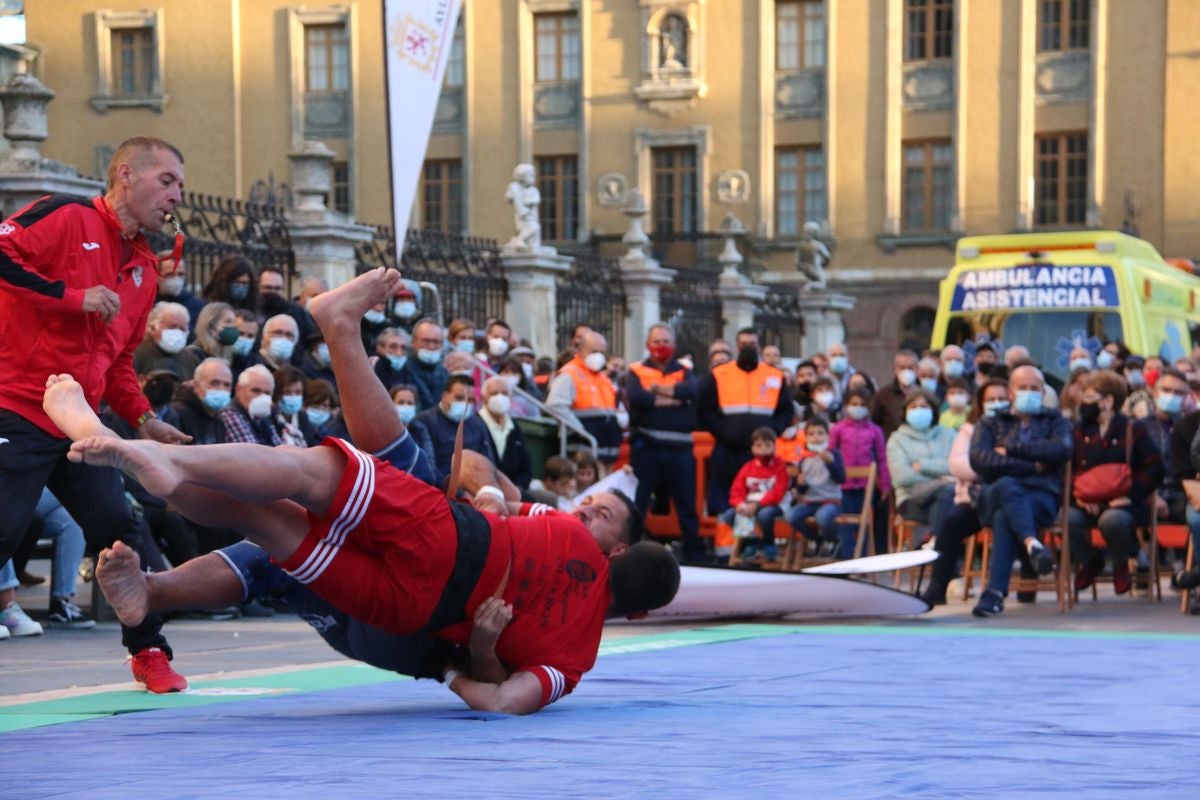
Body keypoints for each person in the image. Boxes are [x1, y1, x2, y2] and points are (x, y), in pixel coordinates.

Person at [51, 269, 679, 714]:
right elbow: (503, 697)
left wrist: (468, 654)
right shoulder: (572, 657)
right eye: (594, 502)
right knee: (275, 524)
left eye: (603, 515)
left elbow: (496, 497)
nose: (589, 507)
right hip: (417, 606)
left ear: (616, 551)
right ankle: (162, 485)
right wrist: (472, 664)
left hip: (434, 576)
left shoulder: (567, 540)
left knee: (302, 482)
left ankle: (165, 473)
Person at [0, 136, 189, 689]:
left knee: (121, 532)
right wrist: (70, 294)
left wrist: (143, 420)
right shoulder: (67, 214)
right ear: (126, 174)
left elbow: (121, 360)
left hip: (82, 421)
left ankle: (149, 651)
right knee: (4, 530)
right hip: (16, 405)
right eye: (167, 181)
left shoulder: (144, 270)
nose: (176, 195)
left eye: (179, 185)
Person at [969, 365, 1072, 618]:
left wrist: (1011, 447)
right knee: (1006, 486)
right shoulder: (990, 421)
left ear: (1043, 391)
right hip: (993, 494)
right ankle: (1032, 544)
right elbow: (980, 460)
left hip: (1040, 497)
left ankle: (994, 593)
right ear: (1011, 392)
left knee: (1005, 514)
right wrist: (1033, 465)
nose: (1028, 392)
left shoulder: (1056, 421)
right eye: (1022, 387)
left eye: (1034, 388)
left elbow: (1061, 450)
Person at [1068, 370, 1163, 595]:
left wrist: (1130, 496)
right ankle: (1091, 560)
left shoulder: (1133, 429)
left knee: (1113, 520)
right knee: (1067, 519)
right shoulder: (1079, 430)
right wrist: (1078, 496)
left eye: (1090, 398)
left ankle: (1120, 563)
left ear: (1108, 401)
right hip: (1086, 501)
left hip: (1126, 502)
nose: (1084, 402)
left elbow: (1155, 467)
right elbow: (1067, 469)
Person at [919, 379, 1010, 605]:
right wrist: (991, 463)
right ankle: (938, 584)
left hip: (1005, 501)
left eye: (1001, 399)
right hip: (974, 501)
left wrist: (981, 462)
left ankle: (1017, 580)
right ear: (980, 403)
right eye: (991, 400)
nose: (996, 403)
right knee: (951, 524)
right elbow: (957, 464)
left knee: (1010, 521)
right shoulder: (970, 430)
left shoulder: (1015, 428)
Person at [626, 323, 704, 562]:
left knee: (687, 505)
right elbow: (638, 397)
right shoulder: (636, 370)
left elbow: (693, 391)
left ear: (675, 345)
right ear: (648, 345)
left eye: (666, 341)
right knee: (638, 504)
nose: (662, 346)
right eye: (657, 342)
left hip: (680, 449)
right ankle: (631, 552)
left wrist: (658, 392)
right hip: (646, 447)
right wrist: (673, 397)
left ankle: (695, 556)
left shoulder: (684, 370)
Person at [697, 328, 793, 515]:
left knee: (760, 501)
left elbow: (786, 410)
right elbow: (705, 409)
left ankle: (754, 543)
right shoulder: (719, 374)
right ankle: (724, 543)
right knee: (724, 501)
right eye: (744, 345)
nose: (748, 348)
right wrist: (723, 431)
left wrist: (774, 429)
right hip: (727, 449)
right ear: (736, 347)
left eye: (752, 345)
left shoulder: (774, 375)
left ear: (759, 347)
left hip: (762, 453)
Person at [886, 390, 957, 548]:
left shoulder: (949, 434)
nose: (919, 411)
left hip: (947, 498)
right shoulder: (897, 439)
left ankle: (935, 543)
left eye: (924, 406)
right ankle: (941, 553)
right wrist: (940, 479)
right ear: (905, 412)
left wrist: (924, 465)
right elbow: (902, 477)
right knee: (946, 497)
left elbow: (956, 467)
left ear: (933, 410)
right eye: (913, 407)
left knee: (946, 497)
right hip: (912, 499)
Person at [829, 387, 891, 559]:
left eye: (862, 404)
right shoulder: (838, 429)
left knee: (864, 521)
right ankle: (848, 557)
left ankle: (862, 557)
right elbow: (831, 453)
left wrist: (885, 483)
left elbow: (882, 458)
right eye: (854, 404)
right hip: (843, 484)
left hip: (866, 485)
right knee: (846, 522)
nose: (858, 408)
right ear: (846, 405)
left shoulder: (875, 431)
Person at [547, 330, 623, 464]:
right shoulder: (569, 374)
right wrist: (580, 431)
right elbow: (555, 406)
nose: (599, 356)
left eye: (602, 352)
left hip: (606, 452)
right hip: (583, 453)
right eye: (594, 351)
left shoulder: (602, 377)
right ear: (580, 350)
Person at [719, 427, 789, 562]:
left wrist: (758, 505)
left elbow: (778, 492)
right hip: (750, 504)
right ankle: (751, 542)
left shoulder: (780, 467)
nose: (763, 448)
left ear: (775, 446)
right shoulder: (748, 467)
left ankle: (769, 544)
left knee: (765, 515)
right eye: (758, 445)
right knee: (729, 515)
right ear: (752, 448)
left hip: (774, 504)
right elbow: (737, 490)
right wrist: (739, 504)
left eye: (768, 445)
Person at [410, 374, 495, 479]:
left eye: (470, 400)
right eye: (459, 398)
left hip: (474, 486)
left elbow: (488, 461)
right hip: (439, 486)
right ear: (444, 396)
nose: (465, 403)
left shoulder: (478, 424)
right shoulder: (423, 422)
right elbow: (426, 464)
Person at [786, 417, 845, 557]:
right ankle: (815, 539)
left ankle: (832, 539)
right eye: (811, 434)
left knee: (822, 517)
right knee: (791, 516)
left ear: (827, 436)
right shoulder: (804, 459)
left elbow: (841, 478)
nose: (816, 437)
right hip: (810, 501)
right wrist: (800, 484)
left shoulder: (834, 455)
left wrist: (831, 463)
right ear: (806, 437)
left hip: (831, 501)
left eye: (820, 433)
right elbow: (801, 489)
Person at [478, 375, 533, 490]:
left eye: (504, 393)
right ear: (483, 398)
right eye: (494, 393)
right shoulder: (475, 424)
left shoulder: (514, 426)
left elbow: (525, 466)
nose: (500, 398)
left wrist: (518, 488)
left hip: (515, 490)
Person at [170, 357, 234, 446]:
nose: (221, 389)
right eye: (215, 383)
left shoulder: (219, 420)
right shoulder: (176, 413)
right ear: (196, 385)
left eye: (227, 385)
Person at [219, 364, 282, 446]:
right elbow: (254, 455)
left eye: (267, 393)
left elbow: (280, 448)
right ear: (238, 390)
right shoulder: (229, 414)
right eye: (256, 390)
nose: (262, 397)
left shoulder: (264, 417)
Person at [176, 301, 240, 381]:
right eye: (228, 322)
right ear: (211, 327)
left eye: (234, 323)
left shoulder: (232, 357)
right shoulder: (191, 355)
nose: (233, 327)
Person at [133, 301, 191, 377]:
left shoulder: (190, 358)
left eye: (182, 329)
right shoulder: (135, 355)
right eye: (171, 327)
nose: (177, 332)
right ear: (153, 328)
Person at [872, 350, 919, 438]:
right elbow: (874, 422)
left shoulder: (925, 395)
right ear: (895, 369)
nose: (906, 371)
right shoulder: (883, 395)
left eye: (910, 367)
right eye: (902, 368)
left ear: (917, 369)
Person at [410, 318, 450, 409]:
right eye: (426, 341)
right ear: (413, 342)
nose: (431, 346)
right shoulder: (402, 370)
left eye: (436, 342)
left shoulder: (444, 374)